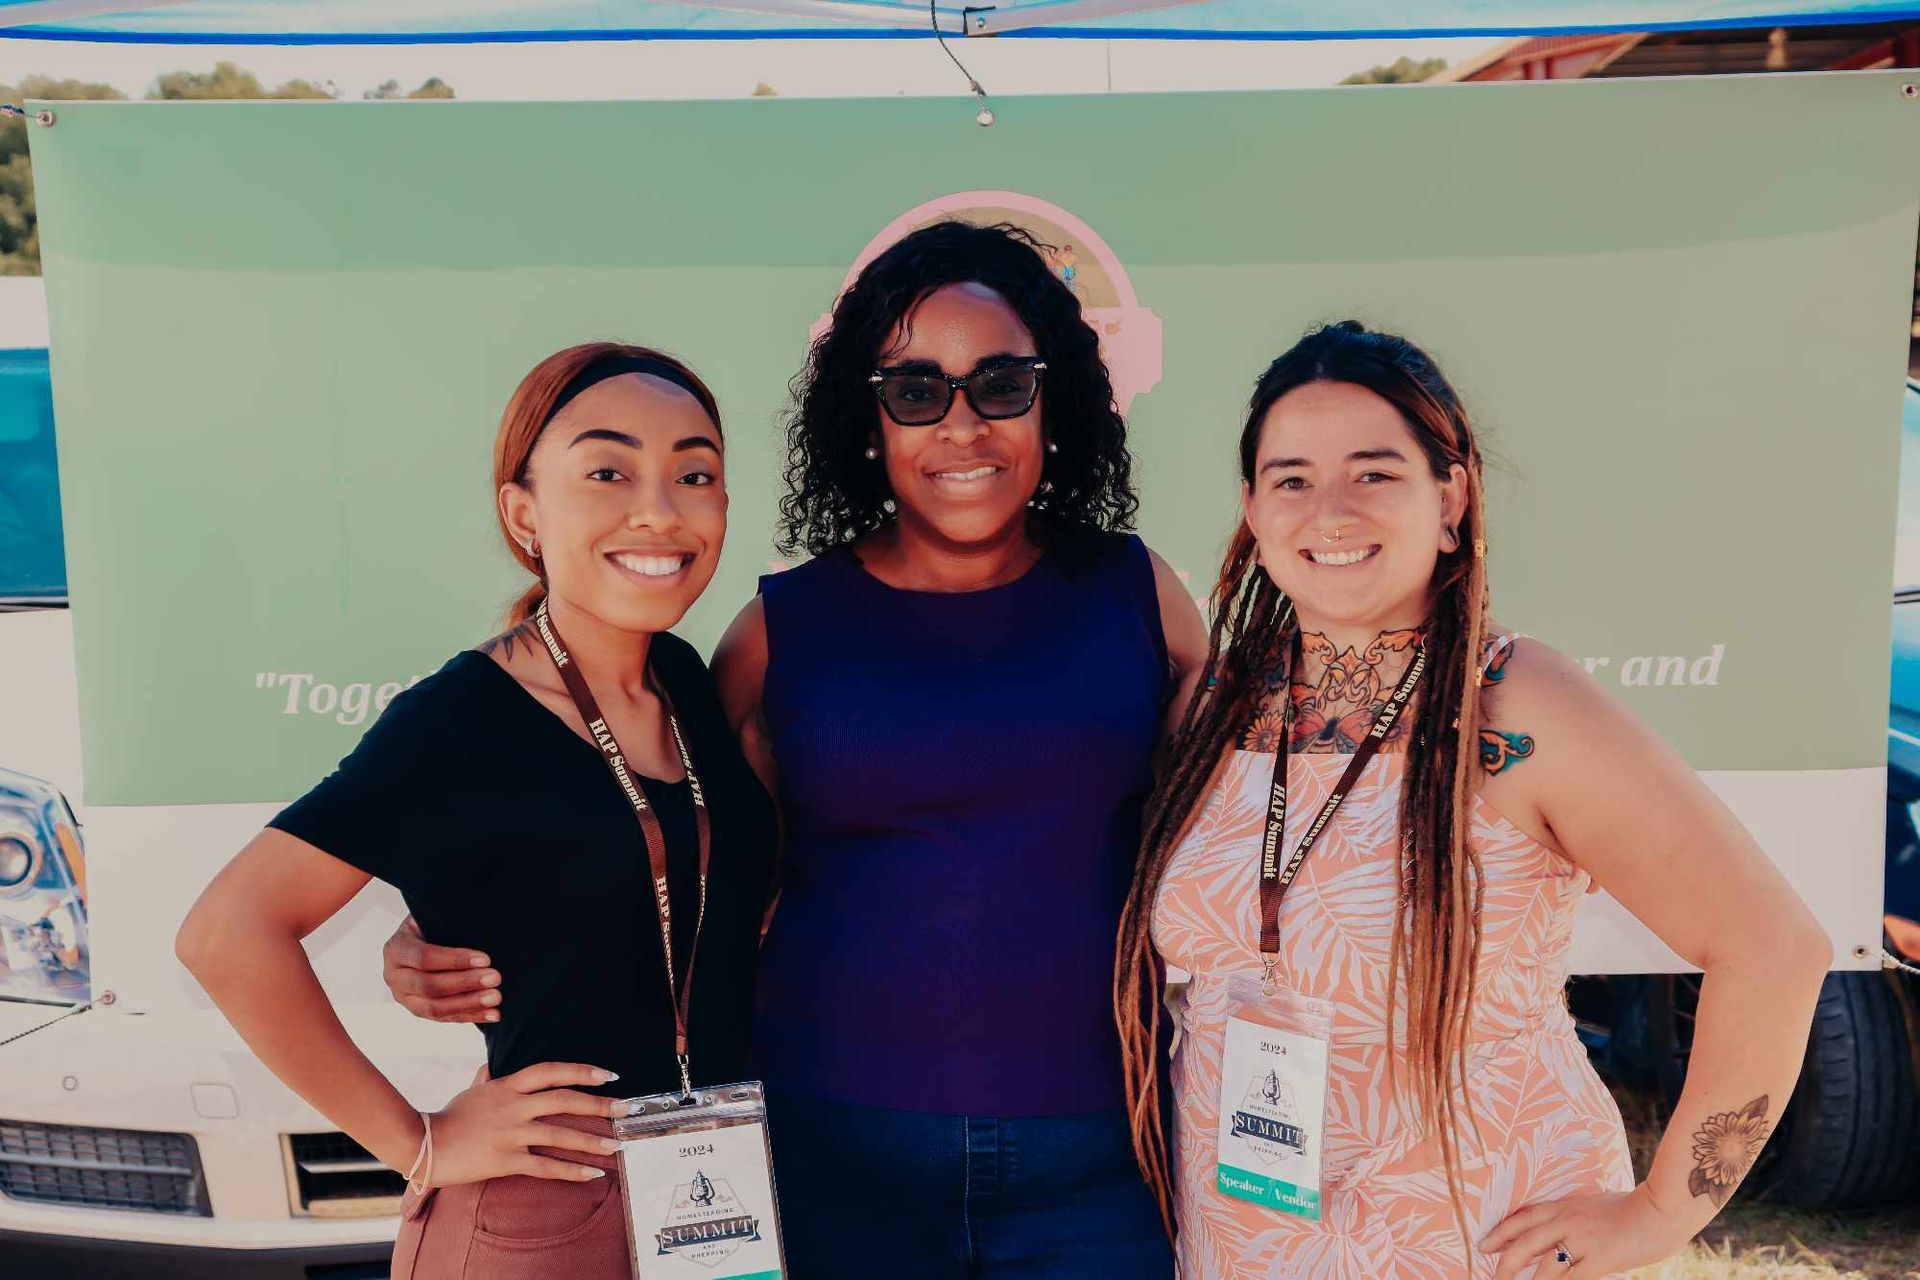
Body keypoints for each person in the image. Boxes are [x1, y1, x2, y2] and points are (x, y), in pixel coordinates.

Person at [386, 221, 1207, 1277]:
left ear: (1054, 403)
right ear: (867, 419)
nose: (961, 424)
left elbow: (1251, 831)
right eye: (915, 390)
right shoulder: (782, 629)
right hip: (829, 1158)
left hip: (1100, 1166)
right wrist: (441, 926)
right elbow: (643, 833)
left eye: (1000, 383)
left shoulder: (1142, 597)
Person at [1114, 321, 1830, 1279]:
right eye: (1291, 478)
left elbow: (1774, 946)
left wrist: (1663, 1209)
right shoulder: (1213, 706)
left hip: (1478, 1234)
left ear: (1449, 498)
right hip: (1245, 1235)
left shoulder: (1519, 702)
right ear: (1252, 505)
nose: (1329, 510)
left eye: (1374, 473)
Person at [177, 343, 777, 1279]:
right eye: (608, 470)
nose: (658, 507)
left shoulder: (687, 685)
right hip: (545, 1214)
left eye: (693, 472)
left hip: (712, 1201)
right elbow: (227, 932)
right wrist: (420, 1144)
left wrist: (437, 922)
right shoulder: (460, 718)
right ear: (523, 511)